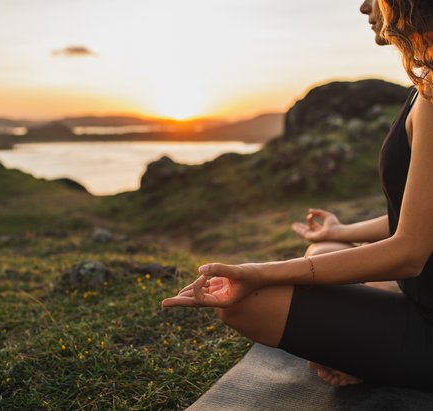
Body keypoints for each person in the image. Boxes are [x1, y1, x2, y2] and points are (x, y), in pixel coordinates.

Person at [162, 0, 433, 391]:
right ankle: (370, 353)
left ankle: (374, 363)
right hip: (421, 293)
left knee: (244, 301)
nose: (362, 6)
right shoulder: (424, 85)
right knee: (323, 254)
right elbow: (421, 216)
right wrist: (341, 231)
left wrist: (255, 271)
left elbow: (410, 252)